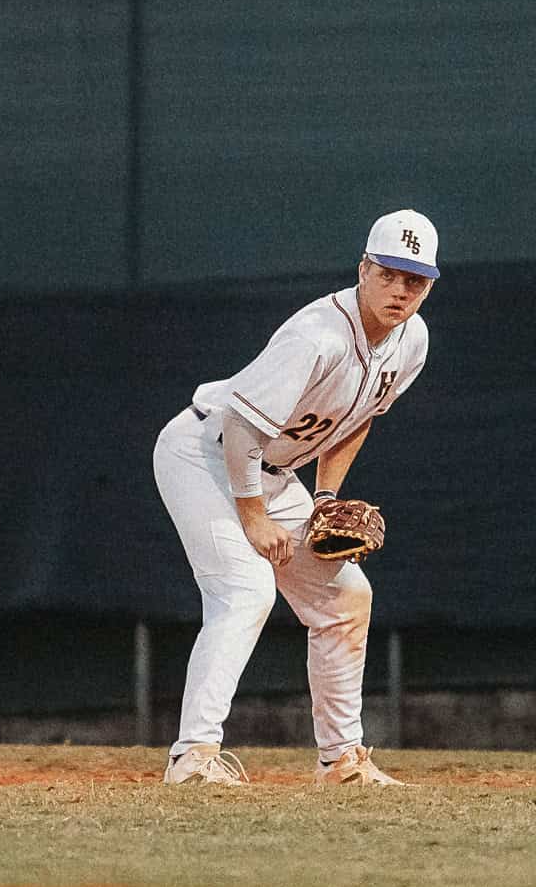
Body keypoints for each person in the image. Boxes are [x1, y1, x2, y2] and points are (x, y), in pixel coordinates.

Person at [153, 209, 438, 786]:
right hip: (205, 452)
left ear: (429, 285)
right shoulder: (317, 336)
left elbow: (357, 418)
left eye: (415, 280)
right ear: (364, 269)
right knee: (246, 588)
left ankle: (341, 763)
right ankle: (193, 757)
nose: (400, 290)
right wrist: (253, 516)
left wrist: (326, 498)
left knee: (347, 599)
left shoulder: (412, 341)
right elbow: (240, 427)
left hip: (275, 471)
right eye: (388, 273)